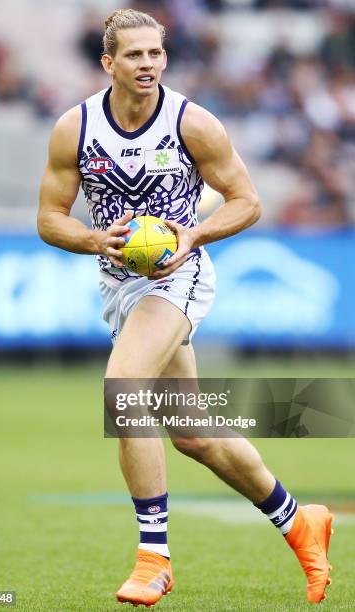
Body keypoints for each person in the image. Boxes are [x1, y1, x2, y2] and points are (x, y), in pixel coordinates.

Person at [37, 8, 334, 608]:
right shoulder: (76, 127)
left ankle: (154, 559)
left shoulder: (192, 124)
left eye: (156, 53)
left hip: (181, 278)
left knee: (124, 387)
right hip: (121, 284)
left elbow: (246, 202)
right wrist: (96, 239)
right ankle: (300, 522)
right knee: (195, 434)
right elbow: (47, 219)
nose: (148, 64)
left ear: (165, 57)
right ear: (108, 63)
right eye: (134, 55)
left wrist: (192, 235)